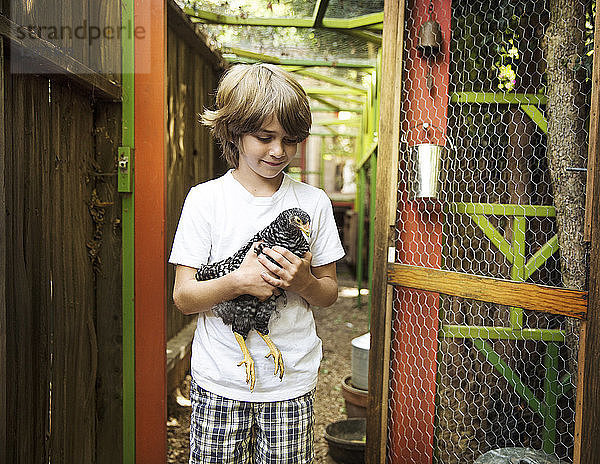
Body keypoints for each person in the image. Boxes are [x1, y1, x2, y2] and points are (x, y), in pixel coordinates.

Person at [169, 63, 345, 464]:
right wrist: (240, 280)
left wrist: (303, 282)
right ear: (234, 132)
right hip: (220, 381)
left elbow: (329, 292)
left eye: (291, 140)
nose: (279, 151)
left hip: (291, 381)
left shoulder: (313, 202)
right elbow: (184, 297)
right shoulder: (205, 200)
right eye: (265, 137)